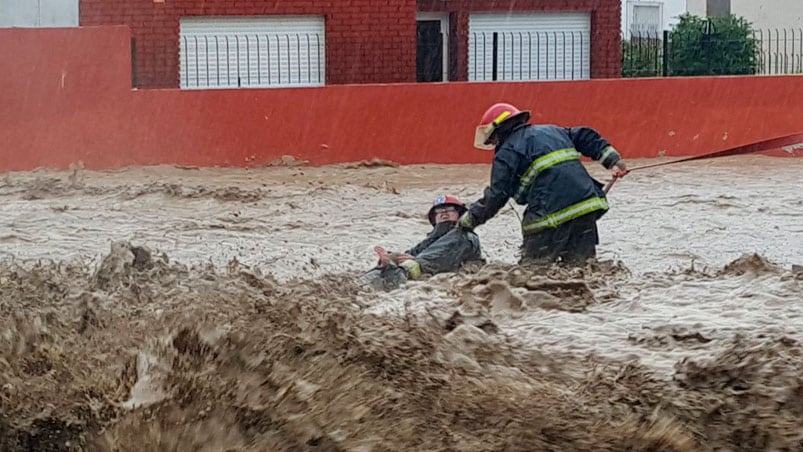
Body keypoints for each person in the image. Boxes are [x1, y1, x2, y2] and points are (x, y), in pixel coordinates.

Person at [457, 102, 629, 265]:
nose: (494, 144)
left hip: (548, 218)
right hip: (586, 209)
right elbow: (586, 136)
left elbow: (496, 195)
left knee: (532, 272)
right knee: (582, 266)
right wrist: (613, 161)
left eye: (493, 140)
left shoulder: (505, 153)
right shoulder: (552, 130)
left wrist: (469, 220)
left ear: (498, 132)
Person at [363, 195, 483, 291]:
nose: (444, 213)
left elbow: (423, 261)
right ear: (433, 218)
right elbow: (408, 255)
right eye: (439, 210)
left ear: (460, 215)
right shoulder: (431, 241)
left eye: (450, 209)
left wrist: (411, 264)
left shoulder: (465, 237)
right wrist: (390, 258)